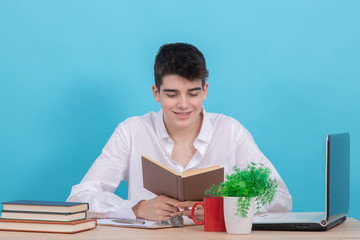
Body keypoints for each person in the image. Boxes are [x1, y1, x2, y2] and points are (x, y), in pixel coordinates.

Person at [67, 43, 292, 221]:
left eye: (192, 93)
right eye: (172, 94)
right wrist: (136, 208)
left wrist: (224, 209)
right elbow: (79, 199)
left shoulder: (230, 131)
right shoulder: (132, 131)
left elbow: (280, 198)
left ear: (205, 90)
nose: (183, 104)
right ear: (156, 93)